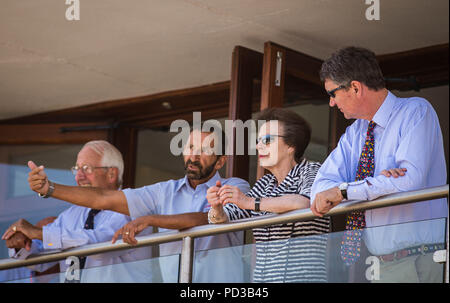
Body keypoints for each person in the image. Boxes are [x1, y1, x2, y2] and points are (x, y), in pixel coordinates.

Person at [26, 129, 250, 282]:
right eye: (190, 146)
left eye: (205, 150)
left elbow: (205, 218)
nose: (194, 155)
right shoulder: (165, 191)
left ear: (221, 161)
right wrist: (49, 188)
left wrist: (151, 219)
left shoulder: (236, 185)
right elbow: (104, 199)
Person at [310, 46, 447, 283]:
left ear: (355, 87)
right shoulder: (355, 133)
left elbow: (409, 181)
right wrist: (378, 184)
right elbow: (319, 191)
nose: (331, 103)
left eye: (332, 93)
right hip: (380, 265)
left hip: (421, 259)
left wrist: (344, 191)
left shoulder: (416, 111)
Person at [207, 108, 331, 282]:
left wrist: (249, 201)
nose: (258, 146)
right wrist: (217, 208)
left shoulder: (313, 170)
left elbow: (304, 202)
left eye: (267, 140)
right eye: (258, 141)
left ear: (291, 146)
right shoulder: (264, 184)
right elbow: (229, 216)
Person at [2, 140, 153, 283]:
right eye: (76, 169)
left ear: (111, 174)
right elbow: (39, 260)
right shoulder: (70, 215)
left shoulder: (132, 206)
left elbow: (99, 244)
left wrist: (38, 233)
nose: (79, 176)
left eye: (86, 168)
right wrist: (22, 243)